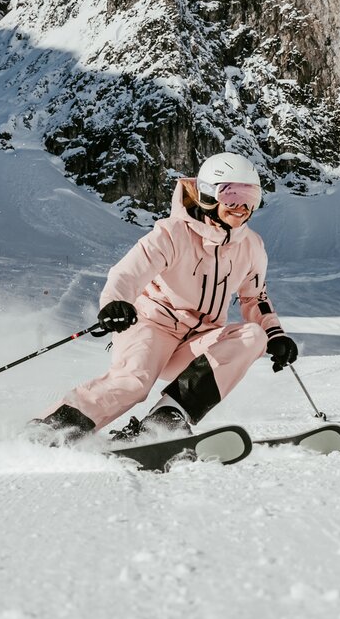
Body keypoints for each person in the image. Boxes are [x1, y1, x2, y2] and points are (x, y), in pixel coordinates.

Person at [29, 152, 298, 445]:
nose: (241, 206)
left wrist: (275, 335)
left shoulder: (251, 246)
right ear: (208, 193)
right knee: (134, 382)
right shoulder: (173, 234)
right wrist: (115, 303)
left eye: (251, 197)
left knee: (253, 337)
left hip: (198, 339)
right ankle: (50, 429)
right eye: (231, 195)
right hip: (151, 326)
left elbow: (254, 297)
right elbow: (127, 273)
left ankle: (166, 418)